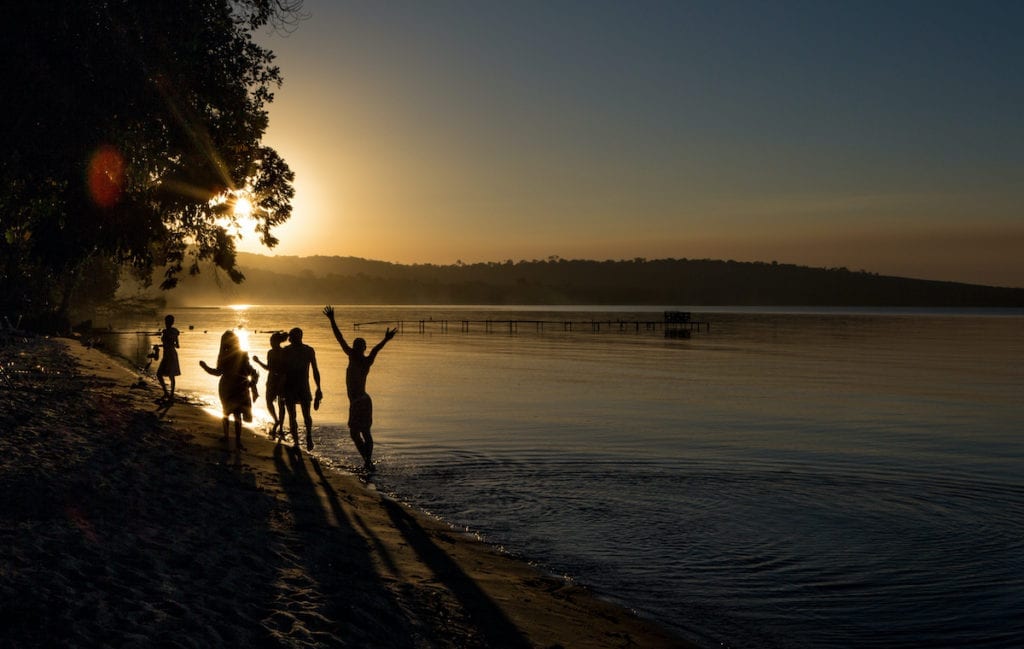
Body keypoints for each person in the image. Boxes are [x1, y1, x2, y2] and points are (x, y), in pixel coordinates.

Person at [323, 305, 397, 471]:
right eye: (356, 345)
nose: (356, 347)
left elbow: (342, 339)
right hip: (360, 400)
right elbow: (342, 339)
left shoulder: (360, 359)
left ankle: (367, 461)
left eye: (359, 345)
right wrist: (385, 340)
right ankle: (367, 461)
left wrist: (332, 320)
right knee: (360, 433)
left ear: (361, 348)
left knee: (359, 433)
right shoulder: (359, 357)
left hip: (360, 401)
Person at [199, 330, 258, 451]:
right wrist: (252, 383)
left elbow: (217, 373)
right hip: (237, 388)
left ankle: (229, 437)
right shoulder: (240, 354)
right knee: (235, 415)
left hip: (230, 387)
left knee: (227, 413)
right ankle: (236, 440)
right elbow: (252, 372)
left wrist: (205, 367)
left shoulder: (226, 355)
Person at [280, 327, 322, 451]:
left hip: (299, 386)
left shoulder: (306, 350)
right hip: (292, 386)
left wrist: (319, 388)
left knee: (301, 415)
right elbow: (283, 371)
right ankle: (299, 441)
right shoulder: (291, 350)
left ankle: (304, 439)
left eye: (293, 337)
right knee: (297, 415)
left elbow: (315, 370)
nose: (292, 339)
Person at [253, 331, 288, 440]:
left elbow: (286, 368)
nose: (271, 343)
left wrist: (283, 380)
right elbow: (268, 368)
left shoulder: (284, 352)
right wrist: (258, 361)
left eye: (272, 341)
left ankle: (280, 427)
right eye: (270, 341)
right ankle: (277, 421)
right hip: (272, 379)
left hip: (281, 380)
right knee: (269, 402)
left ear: (278, 341)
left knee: (281, 404)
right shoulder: (270, 352)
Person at [156, 314, 181, 402]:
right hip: (170, 354)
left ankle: (169, 394)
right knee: (167, 375)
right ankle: (169, 394)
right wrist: (168, 344)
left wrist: (166, 344)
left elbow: (176, 345)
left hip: (169, 355)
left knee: (166, 374)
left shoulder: (166, 332)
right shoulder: (174, 332)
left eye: (167, 321)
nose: (166, 323)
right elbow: (177, 346)